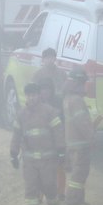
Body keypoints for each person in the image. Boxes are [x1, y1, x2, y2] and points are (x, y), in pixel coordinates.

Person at [10, 82, 65, 205]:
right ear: (26, 97)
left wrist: (61, 150)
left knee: (49, 187)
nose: (31, 98)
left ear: (38, 96)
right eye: (29, 95)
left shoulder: (49, 111)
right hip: (29, 161)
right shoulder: (21, 115)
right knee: (31, 189)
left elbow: (58, 131)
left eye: (34, 95)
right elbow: (16, 135)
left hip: (47, 160)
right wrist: (13, 153)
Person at [32, 48, 67, 197]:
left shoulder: (61, 74)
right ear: (43, 59)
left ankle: (60, 193)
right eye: (47, 57)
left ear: (55, 58)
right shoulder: (38, 74)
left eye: (52, 57)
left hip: (56, 133)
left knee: (59, 164)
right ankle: (40, 194)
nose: (49, 60)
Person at [63, 67, 96, 205]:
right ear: (78, 83)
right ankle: (73, 200)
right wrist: (92, 137)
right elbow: (82, 122)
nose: (84, 86)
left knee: (79, 172)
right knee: (79, 173)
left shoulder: (68, 98)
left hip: (72, 143)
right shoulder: (76, 101)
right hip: (80, 144)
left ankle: (79, 200)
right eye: (82, 83)